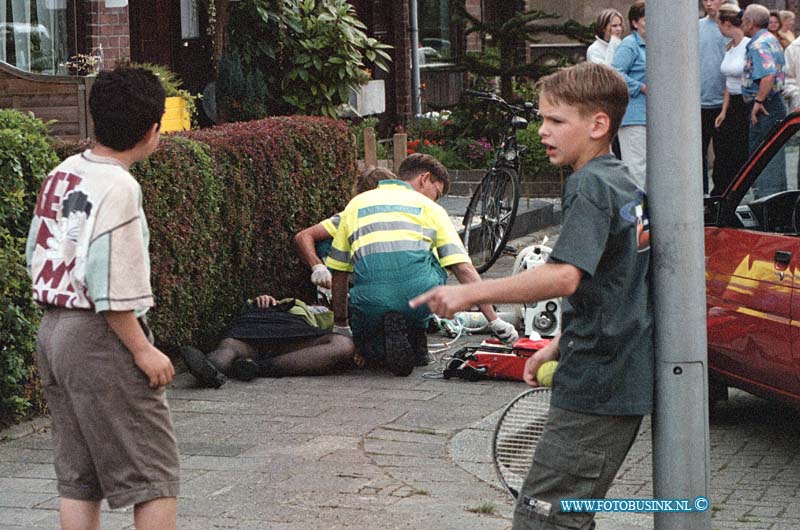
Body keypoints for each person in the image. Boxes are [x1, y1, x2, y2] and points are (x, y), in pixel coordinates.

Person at [410, 62, 653, 530]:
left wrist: (473, 292)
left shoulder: (591, 185)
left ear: (598, 124)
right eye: (541, 119)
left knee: (543, 518)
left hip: (597, 384)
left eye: (557, 121)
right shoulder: (622, 180)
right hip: (609, 372)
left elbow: (564, 277)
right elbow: (617, 281)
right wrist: (556, 344)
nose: (543, 131)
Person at [25, 67, 179, 529]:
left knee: (79, 477)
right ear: (153, 130)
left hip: (53, 332)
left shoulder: (63, 172)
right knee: (154, 474)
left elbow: (37, 247)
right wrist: (142, 349)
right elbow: (110, 285)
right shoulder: (121, 188)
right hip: (99, 337)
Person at [326, 153, 519, 377]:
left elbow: (339, 271)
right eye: (437, 193)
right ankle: (417, 329)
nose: (436, 200)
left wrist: (341, 326)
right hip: (418, 300)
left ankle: (374, 342)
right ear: (424, 178)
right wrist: (495, 321)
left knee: (373, 351)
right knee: (439, 259)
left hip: (368, 304)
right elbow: (463, 268)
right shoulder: (430, 209)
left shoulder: (356, 204)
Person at [180, 294, 355, 388]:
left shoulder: (339, 316)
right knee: (231, 347)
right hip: (261, 323)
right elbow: (251, 304)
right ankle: (210, 368)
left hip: (300, 338)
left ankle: (252, 367)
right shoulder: (290, 302)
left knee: (343, 345)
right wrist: (262, 299)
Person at [293, 166, 393, 290]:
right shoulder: (349, 217)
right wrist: (318, 267)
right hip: (351, 282)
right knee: (326, 244)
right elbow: (303, 236)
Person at [742, 3, 787, 198]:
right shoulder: (771, 38)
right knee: (773, 155)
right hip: (774, 102)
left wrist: (758, 102)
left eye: (744, 20)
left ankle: (767, 201)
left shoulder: (758, 44)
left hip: (766, 105)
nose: (742, 23)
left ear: (750, 22)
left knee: (763, 155)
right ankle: (775, 198)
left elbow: (767, 75)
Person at [713, 3, 751, 195]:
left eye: (719, 24)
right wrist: (723, 110)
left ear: (727, 24)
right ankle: (721, 191)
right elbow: (728, 83)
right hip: (732, 102)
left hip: (745, 102)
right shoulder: (729, 47)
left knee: (739, 148)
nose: (718, 28)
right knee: (724, 148)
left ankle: (737, 190)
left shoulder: (748, 45)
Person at [612, 1, 647, 188]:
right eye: (646, 20)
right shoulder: (629, 45)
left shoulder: (655, 44)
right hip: (634, 117)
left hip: (652, 117)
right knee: (636, 170)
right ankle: (635, 216)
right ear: (635, 23)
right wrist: (641, 87)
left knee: (650, 171)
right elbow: (616, 73)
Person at [699, 0, 730, 196]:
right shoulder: (696, 27)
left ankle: (720, 196)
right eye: (705, 0)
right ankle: (699, 194)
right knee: (697, 152)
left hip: (723, 101)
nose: (709, 3)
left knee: (724, 154)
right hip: (699, 101)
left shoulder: (729, 28)